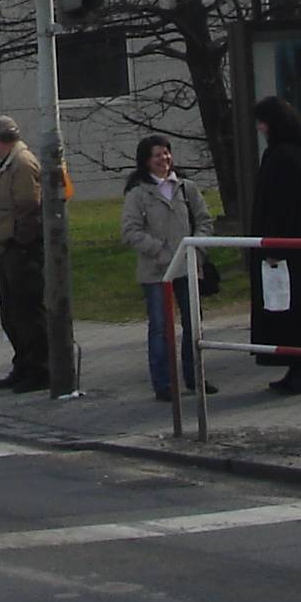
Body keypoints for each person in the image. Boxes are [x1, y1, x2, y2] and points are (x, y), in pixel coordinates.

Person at [120, 134, 218, 402]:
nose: (163, 159)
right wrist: (161, 252)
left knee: (193, 323)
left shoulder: (187, 188)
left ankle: (195, 376)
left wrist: (195, 248)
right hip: (156, 270)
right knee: (160, 327)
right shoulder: (138, 193)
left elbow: (204, 221)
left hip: (188, 266)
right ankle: (163, 383)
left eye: (166, 153)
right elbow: (130, 231)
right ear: (146, 161)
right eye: (157, 155)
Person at [248, 95, 301, 394]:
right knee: (294, 307)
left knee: (294, 310)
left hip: (286, 247)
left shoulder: (282, 156)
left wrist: (273, 246)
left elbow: (281, 206)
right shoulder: (291, 152)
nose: (260, 128)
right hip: (294, 245)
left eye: (262, 122)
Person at [0, 114, 48, 393]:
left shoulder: (21, 164)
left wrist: (21, 245)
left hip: (21, 249)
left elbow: (29, 207)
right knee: (11, 313)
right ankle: (23, 364)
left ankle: (40, 368)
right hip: (8, 247)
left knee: (27, 311)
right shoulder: (10, 164)